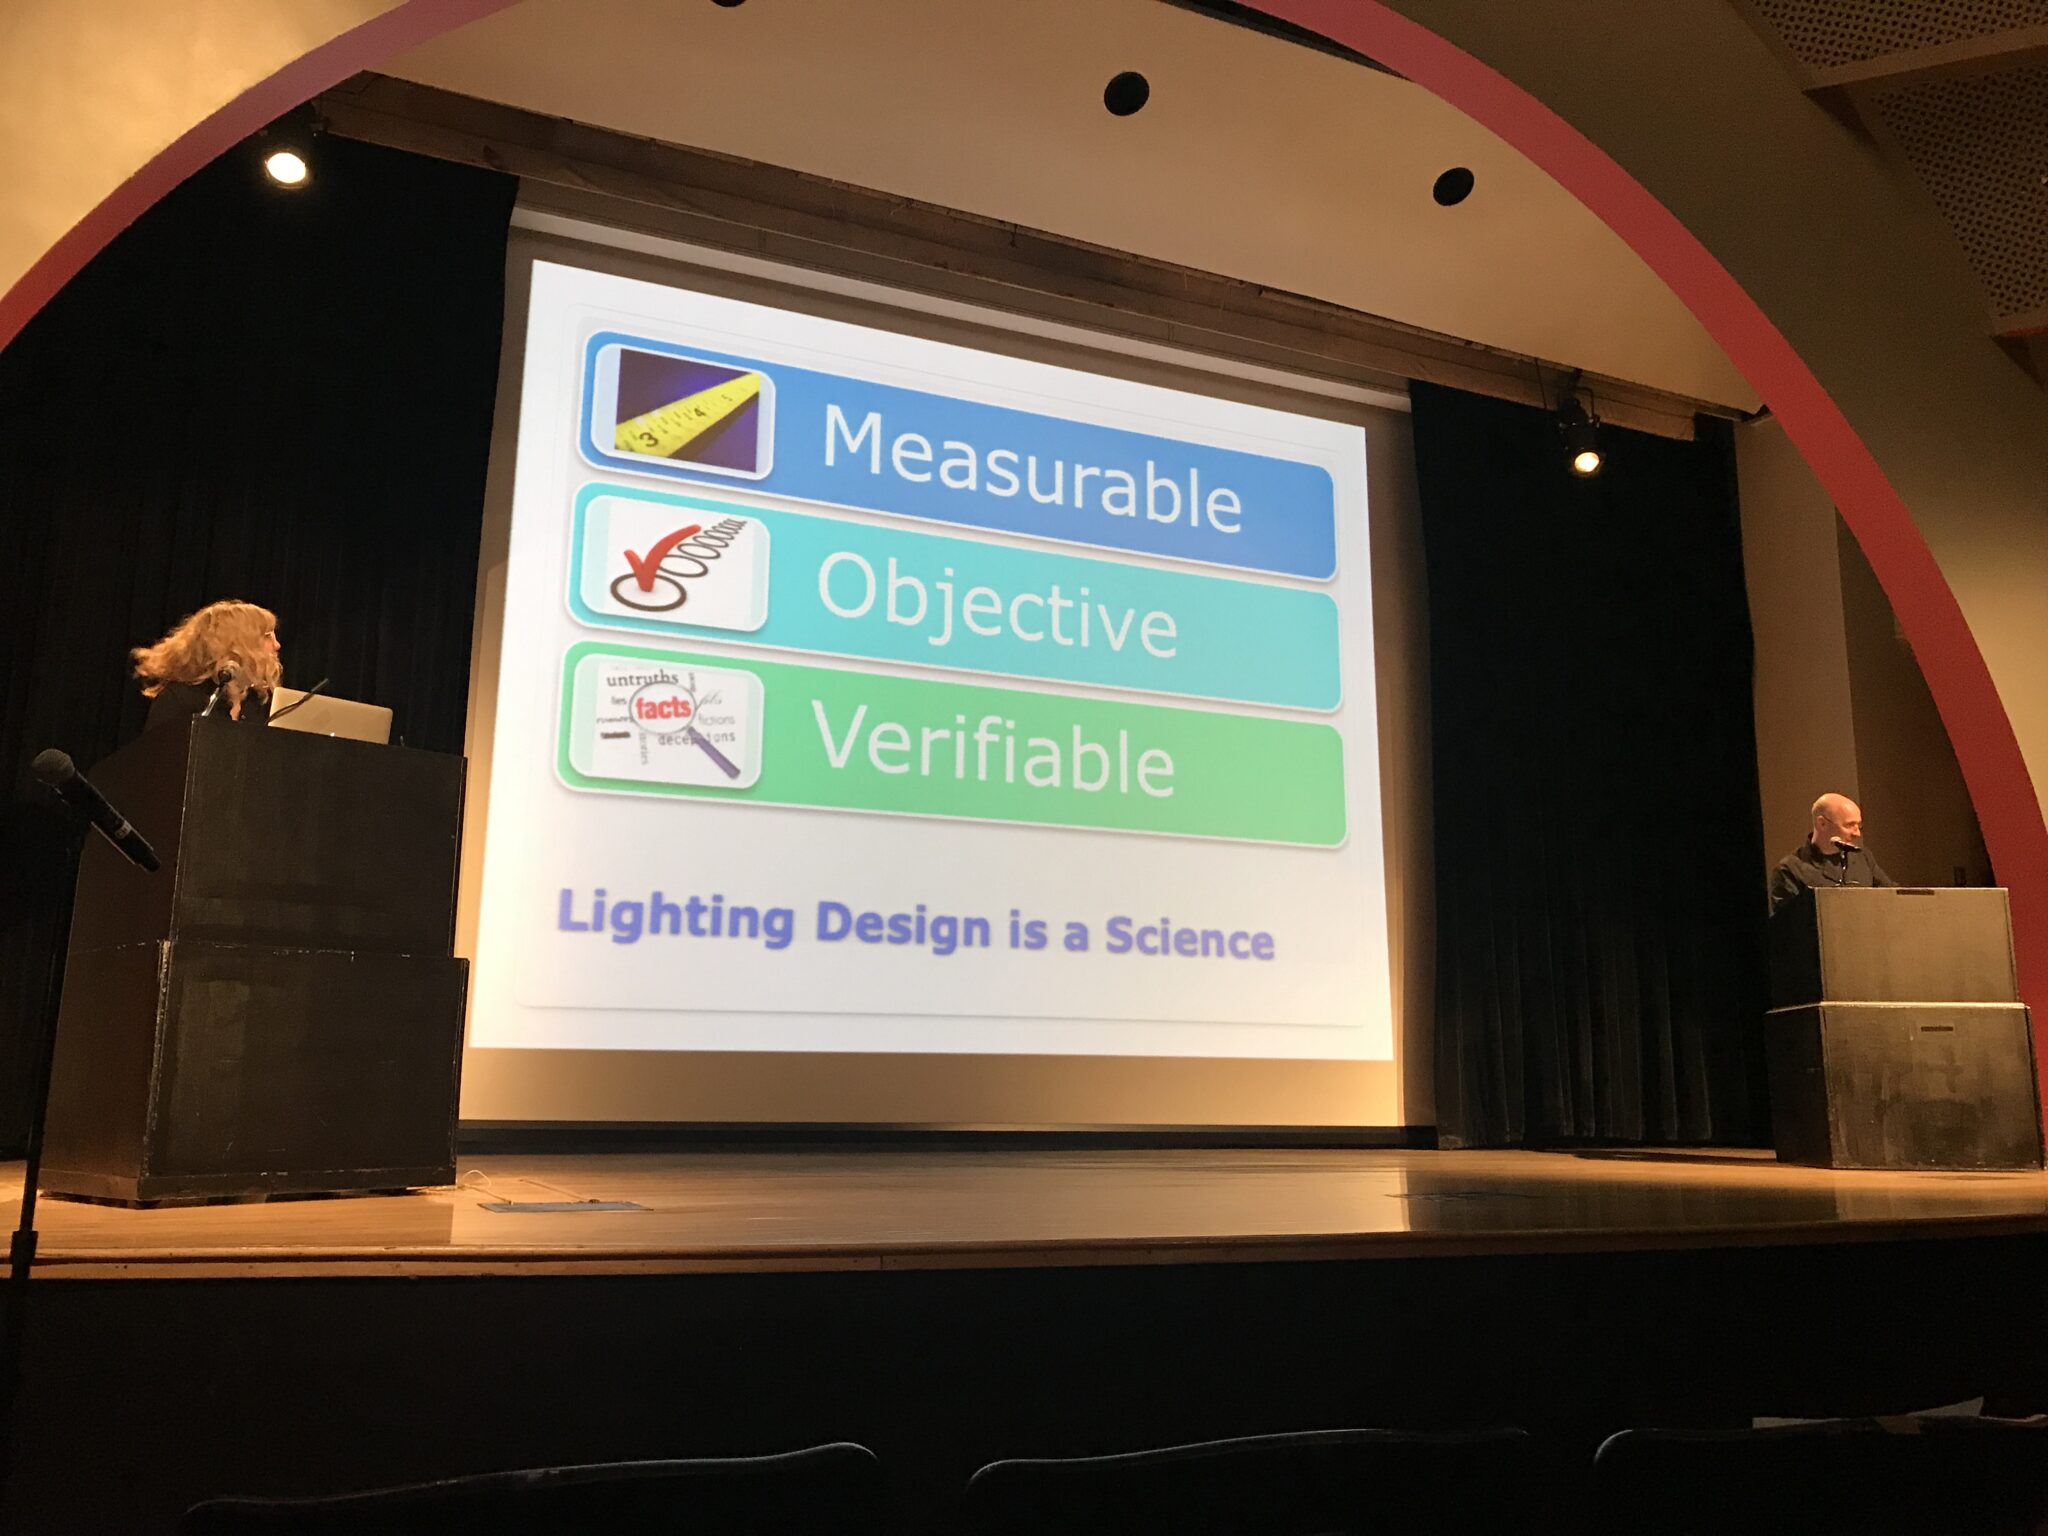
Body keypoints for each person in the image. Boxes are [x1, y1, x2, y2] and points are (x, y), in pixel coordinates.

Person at [132, 600, 283, 728]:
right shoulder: (180, 700)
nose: (277, 645)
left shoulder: (262, 704)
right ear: (234, 644)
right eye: (267, 636)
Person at [1769, 792, 1896, 912]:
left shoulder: (1862, 858)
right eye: (1849, 825)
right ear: (1822, 824)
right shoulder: (1790, 869)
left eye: (1859, 826)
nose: (1857, 833)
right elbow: (1788, 922)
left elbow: (1892, 897)